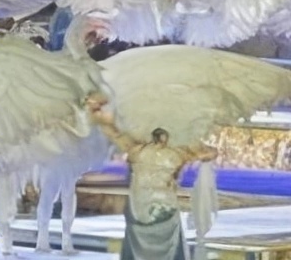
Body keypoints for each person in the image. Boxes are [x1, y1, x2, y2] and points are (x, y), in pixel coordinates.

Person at [89, 101, 217, 260]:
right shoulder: (176, 154)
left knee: (145, 244)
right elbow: (209, 153)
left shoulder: (137, 151)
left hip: (144, 208)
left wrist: (98, 116)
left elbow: (114, 134)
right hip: (159, 207)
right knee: (162, 245)